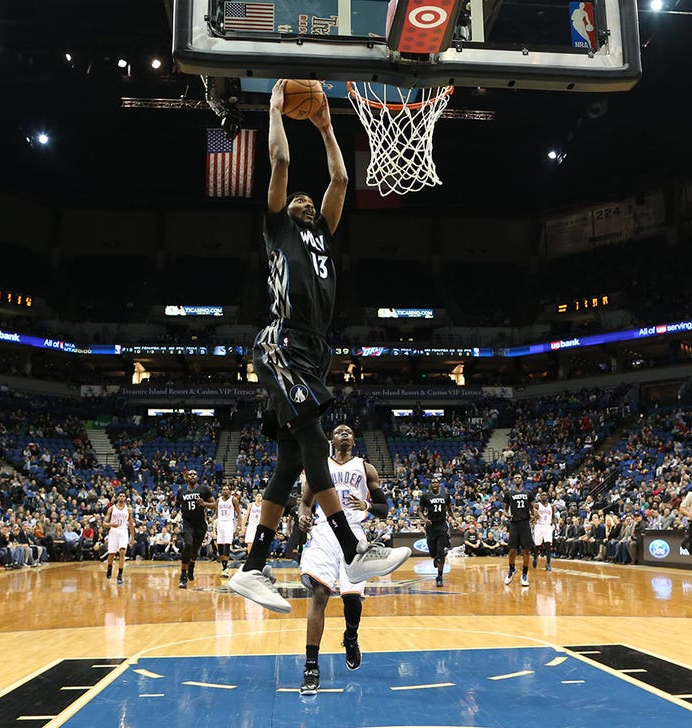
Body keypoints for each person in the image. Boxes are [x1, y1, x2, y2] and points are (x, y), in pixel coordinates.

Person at [227, 81, 409, 613]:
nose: (305, 201)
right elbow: (281, 163)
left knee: (288, 461)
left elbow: (341, 177)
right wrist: (276, 112)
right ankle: (354, 550)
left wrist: (328, 127)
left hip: (313, 349)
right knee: (313, 442)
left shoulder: (326, 232)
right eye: (299, 200)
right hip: (282, 341)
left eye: (310, 201)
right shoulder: (277, 228)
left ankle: (253, 568)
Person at [295, 424, 390, 695]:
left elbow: (384, 509)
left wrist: (369, 506)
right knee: (320, 594)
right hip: (324, 532)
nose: (345, 433)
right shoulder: (319, 466)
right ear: (331, 440)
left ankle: (350, 637)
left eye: (349, 431)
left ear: (354, 439)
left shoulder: (366, 468)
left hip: (355, 534)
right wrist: (303, 516)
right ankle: (311, 668)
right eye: (339, 431)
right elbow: (305, 502)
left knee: (351, 598)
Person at [176, 470, 216, 589]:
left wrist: (204, 504)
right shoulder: (181, 491)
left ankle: (192, 565)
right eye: (190, 474)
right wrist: (173, 512)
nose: (192, 475)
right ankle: (183, 576)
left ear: (197, 477)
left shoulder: (204, 490)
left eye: (194, 474)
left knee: (195, 550)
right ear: (186, 477)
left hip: (200, 524)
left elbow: (214, 505)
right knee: (187, 545)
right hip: (187, 524)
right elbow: (176, 505)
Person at [419, 478, 451, 587]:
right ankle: (436, 557)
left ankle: (439, 576)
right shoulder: (425, 496)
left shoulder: (445, 495)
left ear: (439, 484)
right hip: (431, 526)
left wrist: (455, 519)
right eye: (433, 482)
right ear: (430, 485)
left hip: (442, 525)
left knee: (441, 551)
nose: (435, 483)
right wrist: (424, 520)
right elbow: (420, 511)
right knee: (433, 553)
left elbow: (450, 509)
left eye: (436, 482)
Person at [504, 475, 533, 587]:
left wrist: (535, 513)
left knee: (526, 550)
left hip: (525, 523)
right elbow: (505, 509)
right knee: (512, 550)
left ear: (522, 480)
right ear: (513, 480)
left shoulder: (528, 493)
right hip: (514, 524)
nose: (517, 479)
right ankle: (511, 569)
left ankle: (524, 574)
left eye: (519, 478)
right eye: (515, 477)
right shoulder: (509, 494)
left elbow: (532, 507)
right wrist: (506, 514)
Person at [103, 491, 132, 585]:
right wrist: (111, 525)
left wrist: (132, 537)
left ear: (125, 498)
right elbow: (104, 523)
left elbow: (131, 524)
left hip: (123, 531)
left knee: (122, 552)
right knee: (111, 554)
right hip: (113, 531)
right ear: (117, 497)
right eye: (120, 496)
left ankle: (120, 575)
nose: (122, 497)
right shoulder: (111, 508)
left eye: (124, 496)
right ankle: (109, 568)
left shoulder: (128, 509)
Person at [215, 483, 241, 577]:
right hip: (220, 523)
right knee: (220, 545)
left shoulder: (233, 499)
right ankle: (224, 566)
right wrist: (211, 521)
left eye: (227, 489)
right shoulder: (218, 500)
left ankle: (225, 568)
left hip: (229, 523)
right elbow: (216, 513)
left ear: (229, 491)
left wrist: (239, 526)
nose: (225, 490)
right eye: (223, 489)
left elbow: (238, 513)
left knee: (227, 544)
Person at [532, 488, 555, 572]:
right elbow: (530, 510)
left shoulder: (551, 506)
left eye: (545, 495)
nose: (544, 496)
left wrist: (555, 525)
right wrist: (534, 513)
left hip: (547, 526)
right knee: (537, 545)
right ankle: (535, 557)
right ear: (540, 497)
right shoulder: (537, 505)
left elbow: (553, 517)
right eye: (542, 495)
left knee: (548, 544)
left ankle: (548, 563)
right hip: (539, 526)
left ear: (548, 497)